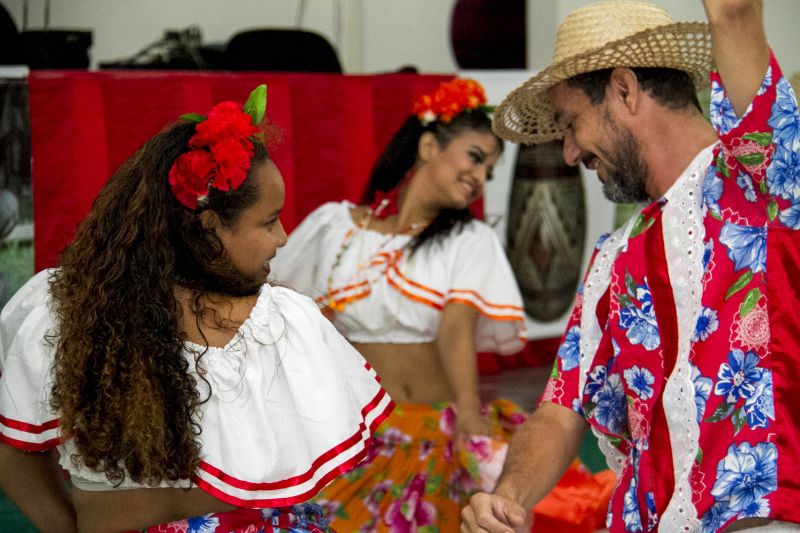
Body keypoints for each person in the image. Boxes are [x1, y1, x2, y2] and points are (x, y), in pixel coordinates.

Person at [462, 0, 800, 532]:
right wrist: (506, 497)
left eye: (571, 123)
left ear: (624, 88)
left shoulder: (761, 185)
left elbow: (735, 15)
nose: (570, 152)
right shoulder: (614, 258)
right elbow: (559, 408)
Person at [0, 85, 393, 533]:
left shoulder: (284, 321)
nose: (283, 237)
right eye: (268, 221)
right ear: (209, 228)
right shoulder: (65, 310)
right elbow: (16, 450)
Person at [271, 78, 614, 532]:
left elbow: (457, 329)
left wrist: (469, 413)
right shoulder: (334, 228)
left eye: (488, 171)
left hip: (433, 432)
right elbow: (288, 322)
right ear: (429, 145)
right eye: (474, 158)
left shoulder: (467, 239)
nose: (479, 178)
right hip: (351, 432)